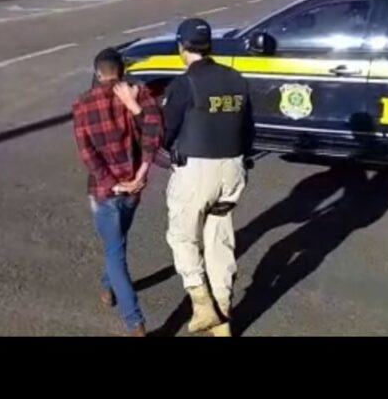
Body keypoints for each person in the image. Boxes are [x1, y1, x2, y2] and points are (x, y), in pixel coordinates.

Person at [161, 18, 254, 337]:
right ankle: (223, 317)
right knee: (219, 242)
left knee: (183, 237)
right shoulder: (237, 79)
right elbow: (249, 131)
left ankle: (201, 303)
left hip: (197, 172)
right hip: (233, 169)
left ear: (181, 48)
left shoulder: (184, 84)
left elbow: (164, 132)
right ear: (209, 46)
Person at [72, 47, 164, 336]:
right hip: (134, 188)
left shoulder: (83, 104)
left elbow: (87, 153)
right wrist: (141, 172)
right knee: (117, 244)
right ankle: (106, 287)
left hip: (104, 190)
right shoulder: (138, 94)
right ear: (122, 71)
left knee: (115, 251)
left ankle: (134, 320)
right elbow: (155, 132)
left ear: (98, 73)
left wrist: (111, 182)